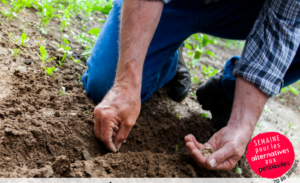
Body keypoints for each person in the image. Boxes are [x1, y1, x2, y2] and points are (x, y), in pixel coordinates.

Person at [81, 0, 300, 171]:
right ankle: (167, 57)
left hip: (244, 8)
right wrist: (126, 84)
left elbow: (284, 25)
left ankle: (228, 93)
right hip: (174, 3)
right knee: (106, 85)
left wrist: (241, 123)